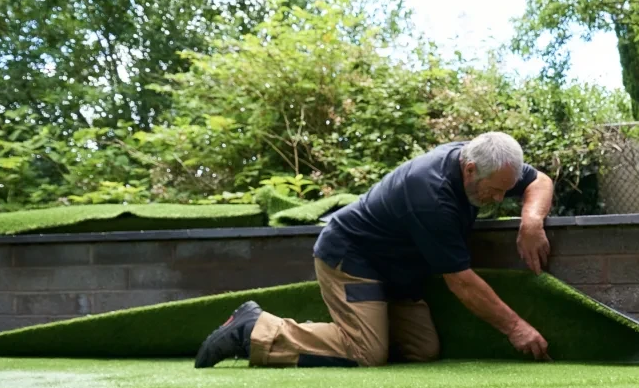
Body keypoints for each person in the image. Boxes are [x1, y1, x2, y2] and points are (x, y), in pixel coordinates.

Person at [195, 132, 555, 369]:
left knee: (423, 350)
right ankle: (254, 329)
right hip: (353, 257)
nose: (497, 199)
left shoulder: (489, 160)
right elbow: (461, 282)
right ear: (471, 168)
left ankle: (369, 331)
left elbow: (539, 180)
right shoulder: (430, 194)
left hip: (397, 272)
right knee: (366, 353)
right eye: (494, 190)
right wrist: (516, 328)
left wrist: (531, 221)